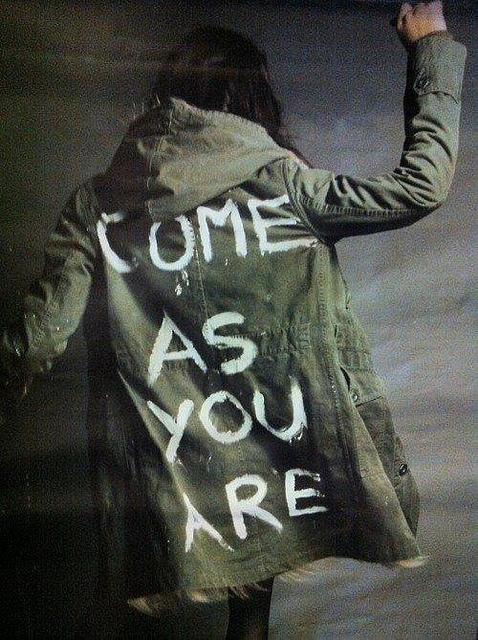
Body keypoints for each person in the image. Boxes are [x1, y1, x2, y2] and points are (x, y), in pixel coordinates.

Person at [0, 2, 467, 638]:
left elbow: (40, 337)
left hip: (173, 461)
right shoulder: (285, 188)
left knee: (162, 597)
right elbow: (420, 187)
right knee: (253, 606)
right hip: (274, 448)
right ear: (250, 98)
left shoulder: (97, 205)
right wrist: (430, 46)